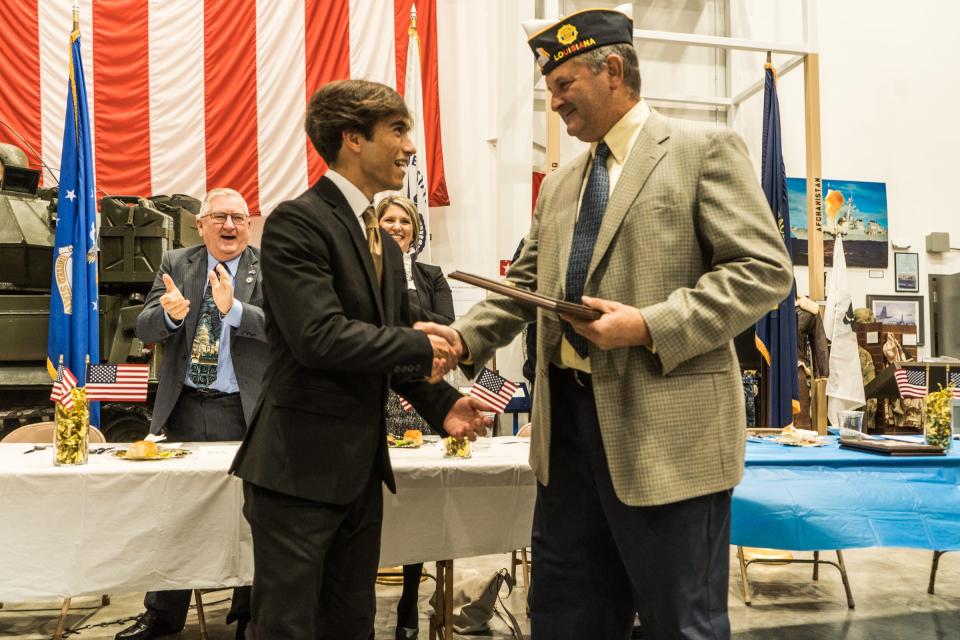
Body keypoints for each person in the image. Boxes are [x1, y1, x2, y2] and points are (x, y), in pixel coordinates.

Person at [416, 7, 794, 640]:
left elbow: (763, 270)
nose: (556, 101)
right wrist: (464, 337)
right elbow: (526, 283)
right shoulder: (562, 182)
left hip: (669, 439)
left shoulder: (704, 149)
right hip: (564, 438)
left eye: (563, 85)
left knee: (682, 622)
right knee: (567, 616)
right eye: (550, 88)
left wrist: (650, 325)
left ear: (612, 70)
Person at [229, 79, 490, 640]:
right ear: (352, 138)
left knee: (351, 624)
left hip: (359, 471)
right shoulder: (297, 221)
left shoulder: (379, 236)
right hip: (297, 469)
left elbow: (385, 344)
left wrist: (442, 403)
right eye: (397, 130)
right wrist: (424, 344)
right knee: (288, 628)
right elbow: (319, 338)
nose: (411, 147)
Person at [120, 188, 266, 640]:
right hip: (183, 408)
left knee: (249, 518)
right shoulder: (176, 264)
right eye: (219, 217)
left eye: (238, 218)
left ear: (248, 225)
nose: (229, 226)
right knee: (173, 514)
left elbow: (288, 327)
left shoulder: (269, 266)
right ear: (200, 224)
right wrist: (169, 318)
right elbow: (141, 325)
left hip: (241, 411)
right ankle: (163, 615)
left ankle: (248, 616)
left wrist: (235, 310)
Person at [376, 194, 452, 639]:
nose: (398, 226)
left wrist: (402, 290)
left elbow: (445, 322)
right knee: (375, 503)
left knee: (415, 497)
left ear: (415, 230)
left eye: (405, 220)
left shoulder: (431, 275)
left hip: (418, 396)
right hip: (376, 393)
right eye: (389, 219)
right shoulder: (362, 272)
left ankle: (410, 596)